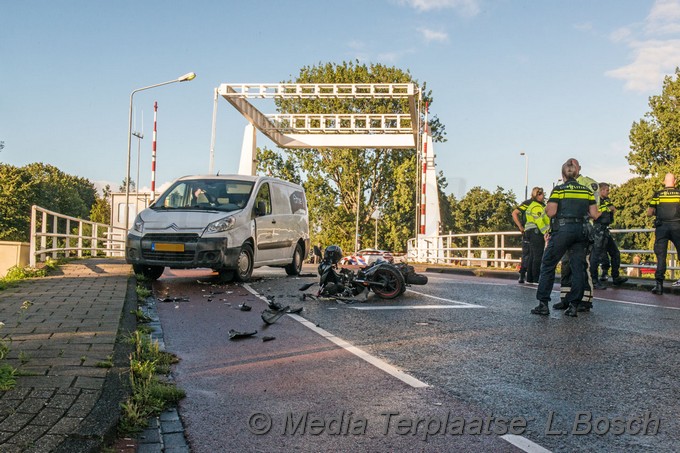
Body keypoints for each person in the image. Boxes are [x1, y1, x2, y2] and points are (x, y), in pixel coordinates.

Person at [531, 159, 600, 317]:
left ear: (563, 175)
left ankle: (543, 304)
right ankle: (574, 306)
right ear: (577, 173)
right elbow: (594, 214)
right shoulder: (586, 191)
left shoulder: (559, 190)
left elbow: (551, 212)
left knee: (548, 264)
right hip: (581, 231)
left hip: (563, 230)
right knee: (578, 268)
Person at [555, 158, 598, 311]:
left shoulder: (588, 183)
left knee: (581, 265)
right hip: (565, 229)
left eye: (573, 165)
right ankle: (566, 298)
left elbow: (593, 208)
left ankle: (585, 299)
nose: (571, 167)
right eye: (569, 165)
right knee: (566, 264)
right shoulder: (561, 186)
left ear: (579, 167)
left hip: (582, 229)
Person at [646, 172, 680, 295]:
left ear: (664, 182)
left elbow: (649, 212)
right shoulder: (678, 193)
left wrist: (658, 213)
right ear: (674, 181)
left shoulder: (658, 194)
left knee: (661, 256)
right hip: (677, 226)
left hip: (662, 227)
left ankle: (659, 285)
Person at [589, 183, 628, 289]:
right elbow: (592, 214)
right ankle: (594, 280)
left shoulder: (607, 200)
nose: (608, 192)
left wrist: (608, 208)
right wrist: (604, 209)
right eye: (606, 190)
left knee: (615, 253)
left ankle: (616, 277)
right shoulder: (595, 200)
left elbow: (614, 210)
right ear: (601, 191)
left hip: (605, 229)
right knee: (596, 256)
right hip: (598, 229)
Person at [523, 187, 550, 284]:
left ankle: (529, 279)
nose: (543, 196)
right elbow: (539, 221)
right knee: (538, 256)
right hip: (536, 232)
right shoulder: (536, 207)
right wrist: (546, 232)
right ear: (538, 195)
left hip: (530, 231)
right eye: (542, 194)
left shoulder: (534, 205)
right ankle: (536, 279)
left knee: (532, 255)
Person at [512, 197, 532, 283]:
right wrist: (520, 226)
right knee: (527, 254)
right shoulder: (528, 203)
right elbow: (514, 213)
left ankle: (532, 276)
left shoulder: (542, 204)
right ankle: (523, 274)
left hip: (539, 233)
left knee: (536, 255)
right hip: (527, 232)